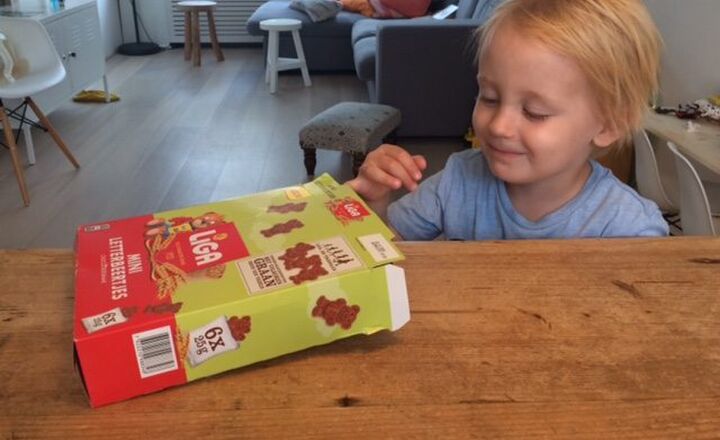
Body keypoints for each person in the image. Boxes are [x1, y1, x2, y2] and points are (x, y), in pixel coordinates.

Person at [346, 0, 669, 240]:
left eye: (534, 112)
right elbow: (388, 249)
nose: (499, 126)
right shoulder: (458, 181)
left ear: (609, 125)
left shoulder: (629, 227)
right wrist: (374, 205)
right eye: (489, 97)